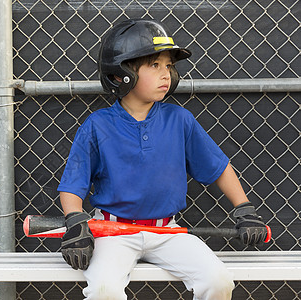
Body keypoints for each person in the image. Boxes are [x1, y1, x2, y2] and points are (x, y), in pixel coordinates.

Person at [57, 18, 268, 300]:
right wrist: (75, 221)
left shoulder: (179, 120)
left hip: (168, 230)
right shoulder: (98, 125)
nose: (166, 74)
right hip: (113, 231)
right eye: (154, 65)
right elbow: (73, 184)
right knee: (103, 290)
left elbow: (219, 168)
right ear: (122, 74)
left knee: (218, 281)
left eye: (168, 66)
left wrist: (244, 209)